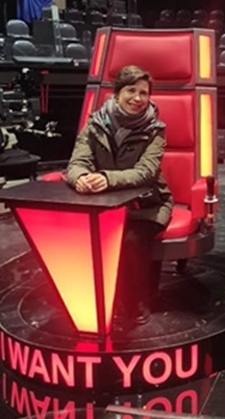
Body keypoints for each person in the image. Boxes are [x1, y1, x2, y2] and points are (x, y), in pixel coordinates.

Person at [65, 65, 172, 327]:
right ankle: (103, 299)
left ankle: (135, 301)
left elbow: (146, 172)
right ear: (117, 93)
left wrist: (106, 178)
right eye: (131, 91)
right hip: (107, 206)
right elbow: (77, 162)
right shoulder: (95, 124)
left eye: (144, 93)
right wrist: (80, 178)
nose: (138, 98)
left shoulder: (155, 129)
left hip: (148, 205)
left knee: (130, 240)